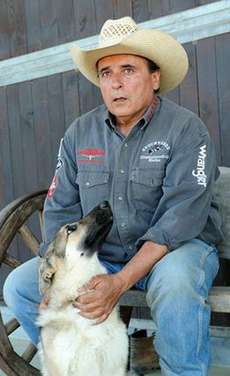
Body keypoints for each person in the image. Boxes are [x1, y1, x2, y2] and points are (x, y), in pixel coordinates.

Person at [3, 17, 223, 376]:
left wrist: (120, 282)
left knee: (177, 283)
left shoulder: (185, 130)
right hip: (103, 258)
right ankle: (89, 365)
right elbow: (60, 211)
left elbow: (179, 220)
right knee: (20, 288)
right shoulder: (79, 133)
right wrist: (52, 278)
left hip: (175, 251)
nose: (116, 83)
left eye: (128, 70)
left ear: (155, 77)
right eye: (106, 73)